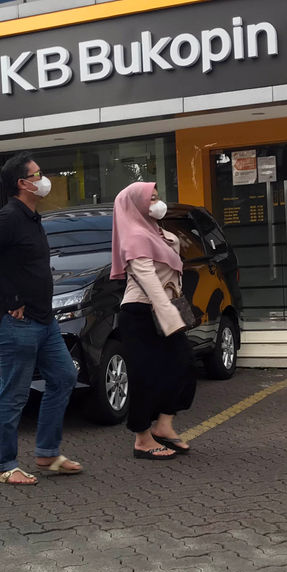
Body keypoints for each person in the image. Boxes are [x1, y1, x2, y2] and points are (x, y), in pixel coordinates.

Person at [0, 152, 83, 485]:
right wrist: (11, 296)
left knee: (63, 377)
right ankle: (3, 465)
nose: (43, 179)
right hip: (15, 323)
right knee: (15, 393)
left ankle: (47, 454)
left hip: (44, 321)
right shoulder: (8, 217)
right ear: (22, 184)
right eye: (37, 175)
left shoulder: (32, 217)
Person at [110, 181, 197, 461]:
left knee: (183, 364)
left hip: (164, 309)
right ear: (136, 206)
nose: (158, 204)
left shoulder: (157, 233)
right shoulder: (134, 237)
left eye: (158, 198)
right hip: (140, 313)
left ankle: (164, 425)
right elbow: (149, 281)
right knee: (145, 376)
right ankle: (142, 438)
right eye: (151, 200)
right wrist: (170, 316)